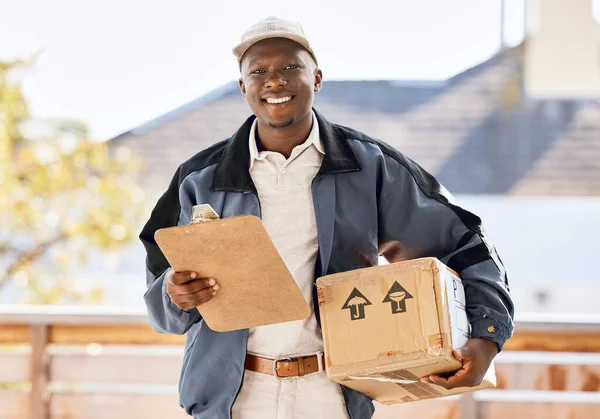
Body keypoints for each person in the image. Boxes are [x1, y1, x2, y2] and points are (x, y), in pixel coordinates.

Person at [139, 16, 514, 419]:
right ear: (243, 87)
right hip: (232, 398)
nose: (274, 81)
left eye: (290, 67)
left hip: (332, 395)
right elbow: (162, 301)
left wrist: (486, 336)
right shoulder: (200, 178)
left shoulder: (370, 166)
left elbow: (465, 242)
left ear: (316, 78)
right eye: (259, 71)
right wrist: (175, 295)